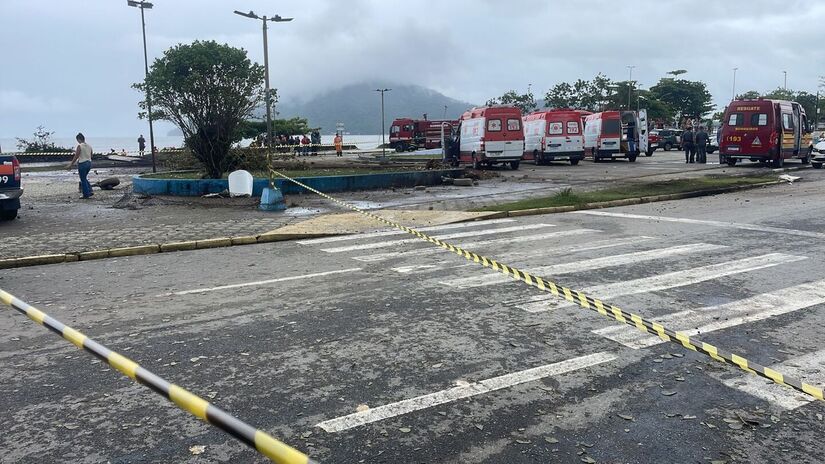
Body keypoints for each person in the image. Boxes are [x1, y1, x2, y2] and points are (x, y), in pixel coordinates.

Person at [67, 132, 94, 199]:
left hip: (82, 163)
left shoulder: (80, 146)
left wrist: (71, 164)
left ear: (79, 139)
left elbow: (76, 156)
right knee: (84, 178)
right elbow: (91, 155)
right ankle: (90, 190)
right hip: (89, 163)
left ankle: (86, 194)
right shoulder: (89, 146)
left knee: (83, 179)